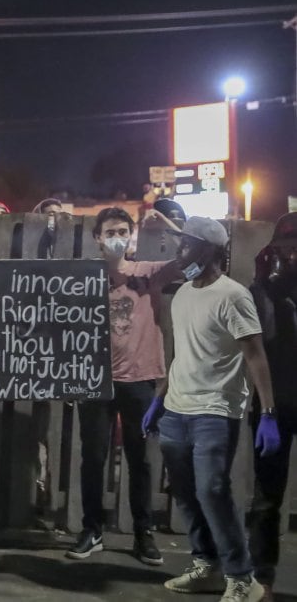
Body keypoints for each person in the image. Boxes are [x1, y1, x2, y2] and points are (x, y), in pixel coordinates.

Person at [142, 216, 279, 602]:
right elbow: (181, 354)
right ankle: (207, 566)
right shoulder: (184, 293)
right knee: (185, 493)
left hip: (216, 410)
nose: (179, 252)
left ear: (209, 250)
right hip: (176, 408)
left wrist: (267, 414)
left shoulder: (233, 295)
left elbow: (255, 355)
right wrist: (158, 400)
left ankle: (241, 577)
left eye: (186, 245)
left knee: (212, 490)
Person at [65, 208, 186, 565]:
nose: (116, 237)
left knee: (140, 460)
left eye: (122, 231)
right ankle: (92, 530)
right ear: (98, 239)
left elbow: (192, 254)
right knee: (93, 458)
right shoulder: (84, 280)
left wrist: (164, 223)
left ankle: (143, 533)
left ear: (131, 237)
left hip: (140, 380)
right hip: (95, 382)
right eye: (110, 232)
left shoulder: (148, 274)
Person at [247, 213, 297, 601]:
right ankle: (261, 579)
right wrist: (263, 281)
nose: (293, 254)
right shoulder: (266, 290)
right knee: (266, 499)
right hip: (274, 405)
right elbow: (260, 336)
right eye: (286, 247)